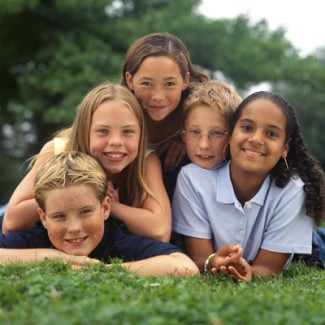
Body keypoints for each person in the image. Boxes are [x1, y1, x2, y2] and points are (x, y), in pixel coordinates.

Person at [172, 90, 325, 281]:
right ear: (231, 133)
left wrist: (249, 272)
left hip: (307, 246)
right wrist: (213, 262)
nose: (256, 139)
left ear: (285, 148)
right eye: (247, 128)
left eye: (271, 134)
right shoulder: (193, 179)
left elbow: (268, 267)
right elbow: (200, 258)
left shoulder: (293, 190)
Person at [3, 83, 171, 243]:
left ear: (141, 133)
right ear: (85, 130)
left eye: (128, 131)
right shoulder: (58, 150)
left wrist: (107, 203)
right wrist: (71, 194)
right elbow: (10, 223)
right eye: (103, 131)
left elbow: (160, 231)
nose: (116, 141)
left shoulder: (146, 161)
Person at [0, 151, 198, 277]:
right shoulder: (37, 238)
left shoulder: (118, 239)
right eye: (59, 216)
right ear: (43, 217)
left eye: (85, 212)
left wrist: (102, 270)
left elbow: (186, 268)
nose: (75, 228)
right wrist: (53, 258)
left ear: (105, 208)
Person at [121, 32, 210, 200]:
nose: (158, 96)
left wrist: (189, 137)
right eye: (147, 83)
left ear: (185, 80)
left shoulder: (200, 113)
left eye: (169, 84)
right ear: (129, 80)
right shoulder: (116, 109)